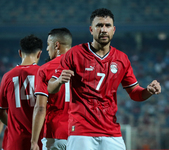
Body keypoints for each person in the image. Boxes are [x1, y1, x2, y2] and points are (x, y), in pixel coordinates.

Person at [48, 8, 161, 150]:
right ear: (91, 29)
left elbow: (135, 93)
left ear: (113, 30)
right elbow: (50, 87)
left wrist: (148, 91)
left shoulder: (121, 59)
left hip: (111, 131)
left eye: (107, 26)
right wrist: (59, 81)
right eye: (99, 25)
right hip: (81, 131)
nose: (103, 30)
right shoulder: (74, 54)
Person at [31, 28, 72, 150]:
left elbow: (40, 107)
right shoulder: (84, 66)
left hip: (55, 134)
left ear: (57, 45)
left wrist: (34, 141)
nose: (47, 49)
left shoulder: (45, 69)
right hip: (81, 135)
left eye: (48, 45)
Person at [0, 35, 43, 150]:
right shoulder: (43, 73)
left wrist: (14, 124)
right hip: (40, 141)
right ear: (39, 54)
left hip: (15, 142)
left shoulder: (7, 77)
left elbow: (1, 112)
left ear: (20, 53)